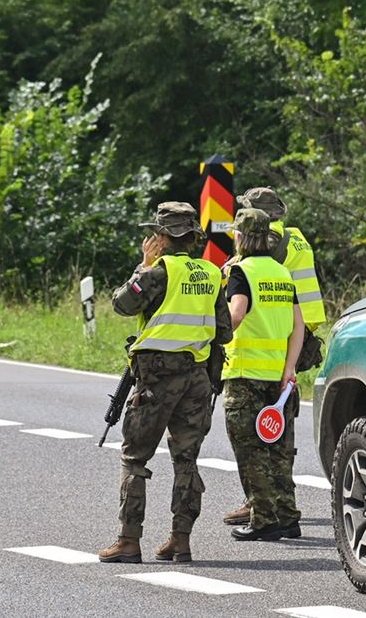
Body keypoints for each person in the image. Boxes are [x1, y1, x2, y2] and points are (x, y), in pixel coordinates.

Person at [98, 201, 232, 564]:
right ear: (193, 237)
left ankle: (128, 541)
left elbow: (122, 305)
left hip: (157, 378)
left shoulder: (157, 272)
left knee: (134, 458)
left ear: (161, 237)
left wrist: (143, 265)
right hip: (197, 378)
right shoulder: (210, 273)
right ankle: (180, 540)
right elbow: (224, 331)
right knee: (186, 460)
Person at [223, 186, 325, 527]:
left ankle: (260, 504)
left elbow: (242, 304)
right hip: (295, 336)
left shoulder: (265, 245)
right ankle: (282, 507)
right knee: (278, 429)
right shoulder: (297, 239)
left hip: (262, 340)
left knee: (253, 436)